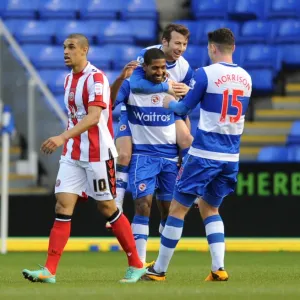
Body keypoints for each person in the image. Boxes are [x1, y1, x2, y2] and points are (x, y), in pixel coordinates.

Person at [21, 33, 146, 284]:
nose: (66, 52)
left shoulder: (96, 77)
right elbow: (101, 107)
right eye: (64, 47)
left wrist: (61, 137)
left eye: (71, 47)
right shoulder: (69, 80)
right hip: (73, 155)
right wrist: (67, 141)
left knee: (107, 208)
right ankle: (49, 271)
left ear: (84, 50)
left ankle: (136, 264)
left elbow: (93, 117)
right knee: (62, 206)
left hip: (98, 154)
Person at [143, 28, 252, 281]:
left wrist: (168, 101)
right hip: (231, 155)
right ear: (232, 47)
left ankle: (158, 270)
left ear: (212, 48)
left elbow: (183, 106)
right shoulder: (246, 77)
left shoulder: (205, 74)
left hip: (204, 153)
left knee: (177, 210)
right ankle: (218, 268)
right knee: (210, 209)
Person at [112, 48, 189, 265]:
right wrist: (119, 79)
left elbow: (183, 116)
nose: (159, 71)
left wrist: (183, 153)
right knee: (142, 206)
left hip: (169, 157)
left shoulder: (173, 87)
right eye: (155, 67)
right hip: (143, 155)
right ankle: (139, 263)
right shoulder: (130, 86)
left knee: (168, 211)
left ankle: (160, 264)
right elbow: (108, 103)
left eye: (163, 67)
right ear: (144, 67)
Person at [113, 24, 194, 219]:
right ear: (164, 42)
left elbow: (187, 101)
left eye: (184, 44)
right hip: (137, 109)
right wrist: (168, 87)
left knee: (187, 141)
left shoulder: (184, 67)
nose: (181, 48)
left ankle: (190, 187)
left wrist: (185, 94)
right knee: (123, 155)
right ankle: (117, 202)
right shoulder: (147, 54)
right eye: (177, 43)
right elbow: (137, 86)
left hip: (166, 110)